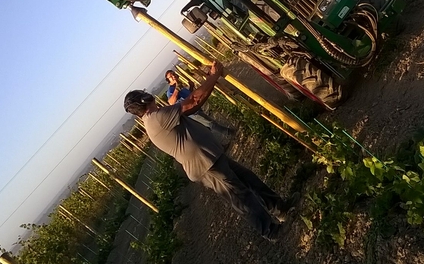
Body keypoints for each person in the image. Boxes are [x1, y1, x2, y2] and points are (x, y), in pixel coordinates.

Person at [124, 62, 298, 240]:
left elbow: (189, 100)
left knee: (248, 179)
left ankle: (280, 209)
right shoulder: (155, 118)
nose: (149, 94)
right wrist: (214, 76)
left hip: (211, 157)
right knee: (240, 196)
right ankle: (269, 230)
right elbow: (193, 102)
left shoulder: (155, 117)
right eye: (145, 94)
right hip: (206, 165)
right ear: (144, 100)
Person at [164, 69, 235, 136]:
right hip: (191, 112)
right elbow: (171, 102)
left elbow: (189, 96)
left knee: (206, 126)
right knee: (210, 123)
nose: (173, 76)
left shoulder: (179, 86)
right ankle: (229, 133)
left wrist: (191, 87)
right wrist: (177, 89)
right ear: (168, 80)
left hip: (194, 107)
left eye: (173, 74)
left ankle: (219, 145)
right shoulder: (171, 90)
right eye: (171, 76)